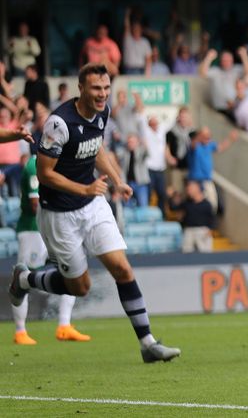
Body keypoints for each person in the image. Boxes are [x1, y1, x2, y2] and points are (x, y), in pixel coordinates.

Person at [8, 63, 180, 363]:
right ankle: (25, 280)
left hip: (93, 206)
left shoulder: (103, 113)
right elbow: (46, 174)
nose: (102, 94)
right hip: (59, 214)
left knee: (122, 269)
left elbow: (96, 147)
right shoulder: (58, 124)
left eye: (106, 88)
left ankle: (147, 343)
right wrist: (84, 189)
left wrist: (117, 179)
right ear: (81, 88)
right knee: (80, 287)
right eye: (96, 89)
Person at [12, 155, 92, 345]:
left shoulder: (64, 163)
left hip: (56, 227)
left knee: (71, 272)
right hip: (33, 230)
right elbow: (34, 204)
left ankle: (64, 325)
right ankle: (20, 330)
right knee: (24, 276)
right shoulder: (34, 165)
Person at [169, 181, 215, 253]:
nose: (188, 191)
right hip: (189, 231)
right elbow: (174, 208)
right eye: (188, 189)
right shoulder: (187, 203)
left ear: (197, 189)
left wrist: (210, 230)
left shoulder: (207, 204)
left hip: (202, 232)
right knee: (187, 255)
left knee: (205, 255)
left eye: (190, 189)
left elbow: (212, 218)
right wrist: (172, 196)